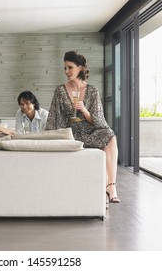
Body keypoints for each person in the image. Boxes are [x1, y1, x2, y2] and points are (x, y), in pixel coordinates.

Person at [45, 51, 120, 204]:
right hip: (70, 134)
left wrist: (85, 110)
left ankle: (111, 186)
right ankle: (106, 190)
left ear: (80, 68)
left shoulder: (93, 91)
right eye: (64, 68)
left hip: (90, 131)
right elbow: (53, 118)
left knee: (110, 136)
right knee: (107, 137)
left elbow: (99, 122)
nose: (66, 72)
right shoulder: (60, 91)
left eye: (70, 67)